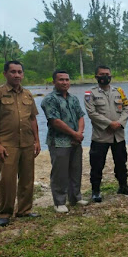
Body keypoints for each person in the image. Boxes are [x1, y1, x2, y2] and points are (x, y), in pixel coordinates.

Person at [0, 61, 41, 226]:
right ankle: (5, 212)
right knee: (8, 180)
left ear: (23, 74)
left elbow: (32, 119)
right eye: (13, 72)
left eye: (19, 72)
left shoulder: (28, 94)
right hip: (7, 144)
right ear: (5, 74)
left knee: (27, 178)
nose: (17, 75)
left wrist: (37, 141)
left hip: (27, 143)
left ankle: (24, 210)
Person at [84, 65, 128, 202]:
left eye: (107, 73)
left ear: (111, 75)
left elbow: (127, 108)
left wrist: (119, 123)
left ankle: (123, 186)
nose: (105, 76)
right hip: (101, 136)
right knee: (97, 165)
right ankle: (96, 191)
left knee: (121, 162)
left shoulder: (119, 91)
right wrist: (109, 123)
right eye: (102, 74)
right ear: (96, 77)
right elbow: (92, 113)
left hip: (118, 135)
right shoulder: (90, 93)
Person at [41, 70, 87, 213]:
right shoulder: (49, 100)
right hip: (59, 142)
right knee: (60, 172)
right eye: (61, 80)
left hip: (76, 141)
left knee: (76, 169)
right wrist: (74, 134)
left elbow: (81, 116)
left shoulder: (73, 98)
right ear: (54, 82)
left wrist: (79, 133)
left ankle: (75, 197)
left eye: (67, 79)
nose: (65, 82)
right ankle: (59, 202)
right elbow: (55, 121)